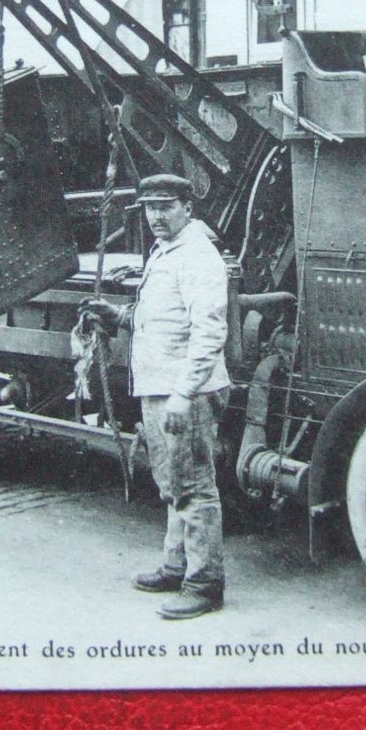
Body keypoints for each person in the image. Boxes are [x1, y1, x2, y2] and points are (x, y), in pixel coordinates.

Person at [81, 174, 231, 620]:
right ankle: (175, 564)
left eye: (165, 206)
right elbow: (162, 320)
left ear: (188, 206)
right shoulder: (165, 251)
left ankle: (205, 584)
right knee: (171, 482)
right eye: (149, 208)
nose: (156, 217)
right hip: (159, 386)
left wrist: (185, 396)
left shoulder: (199, 257)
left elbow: (209, 333)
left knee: (195, 487)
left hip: (185, 390)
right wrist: (118, 315)